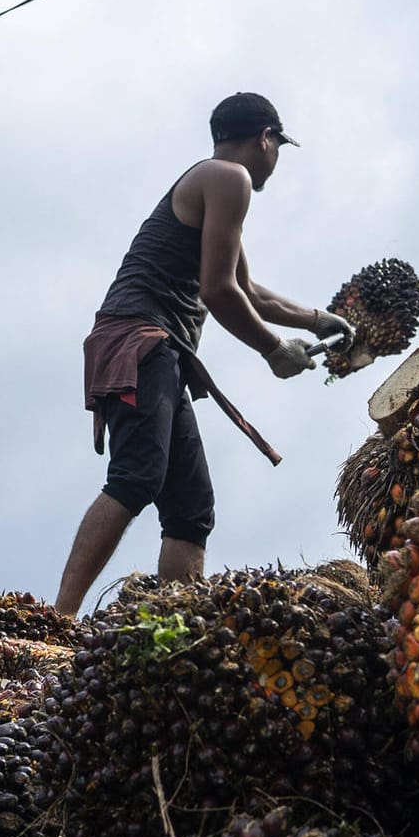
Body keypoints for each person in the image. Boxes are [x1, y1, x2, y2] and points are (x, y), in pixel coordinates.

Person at [54, 92, 352, 615]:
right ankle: (59, 619)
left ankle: (175, 632)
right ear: (266, 139)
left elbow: (249, 290)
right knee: (136, 477)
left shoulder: (218, 184)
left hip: (160, 349)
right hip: (139, 340)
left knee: (191, 510)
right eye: (278, 145)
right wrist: (273, 350)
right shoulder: (227, 179)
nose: (276, 159)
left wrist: (314, 319)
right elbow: (218, 292)